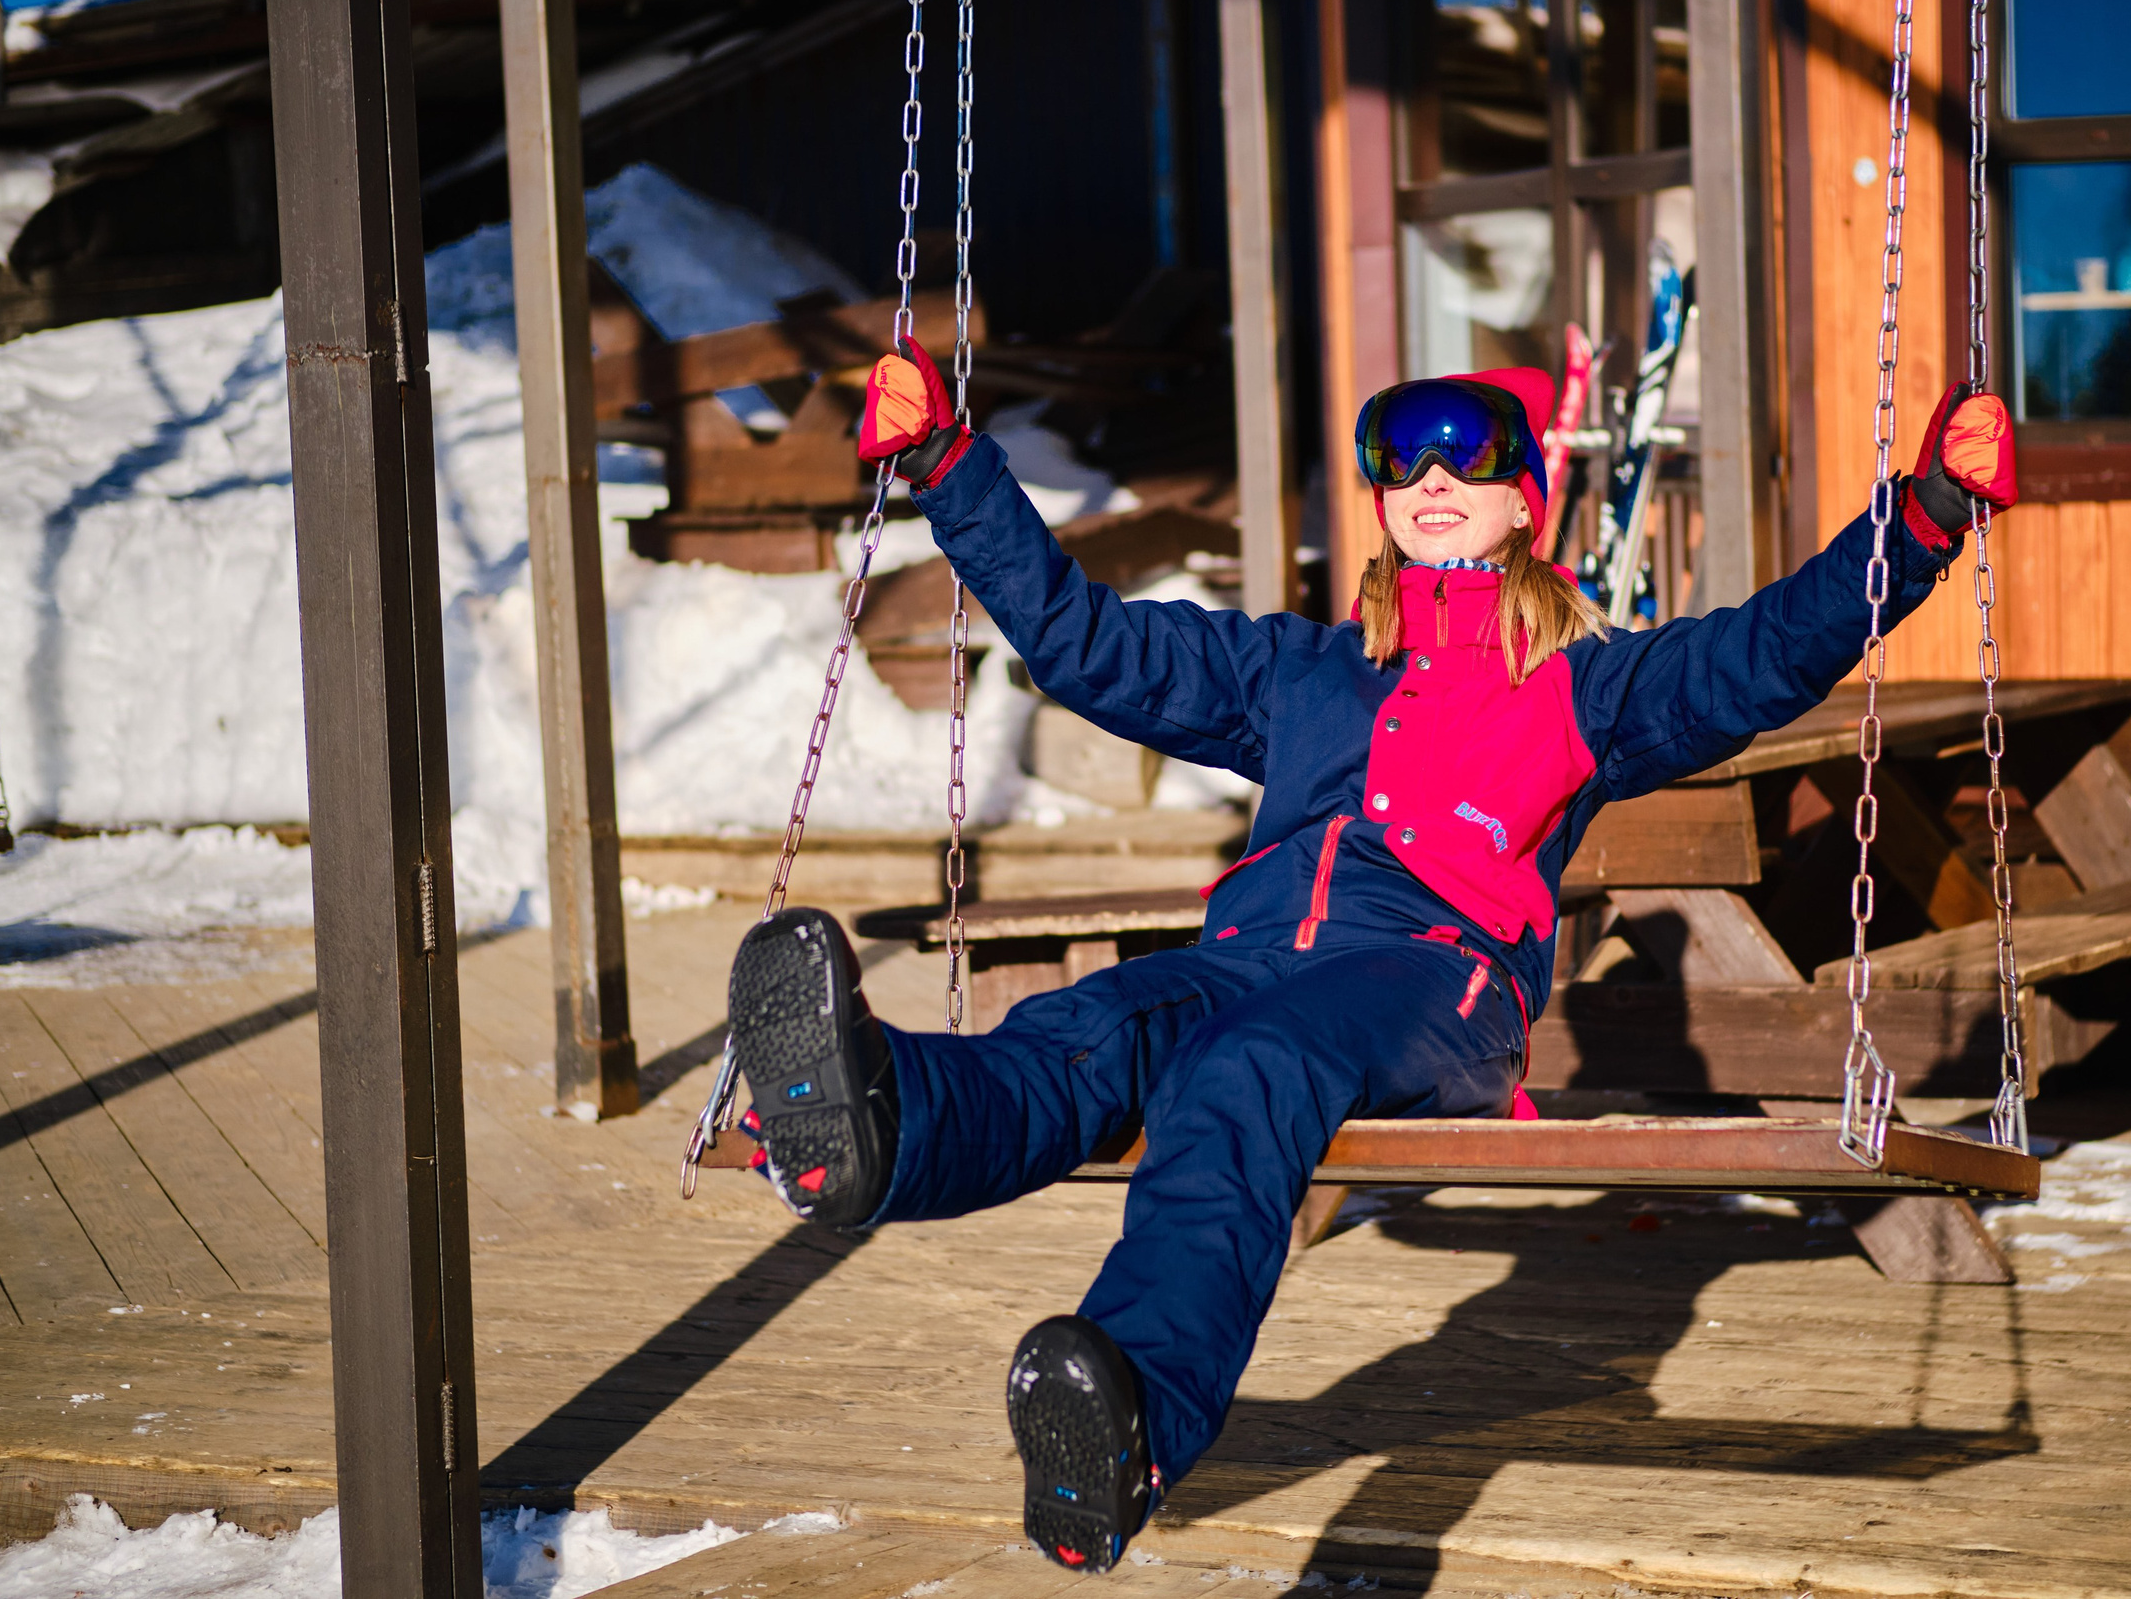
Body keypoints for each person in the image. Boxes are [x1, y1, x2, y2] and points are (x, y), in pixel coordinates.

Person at [722, 345, 2016, 1572]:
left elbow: (1770, 650)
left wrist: (1927, 516)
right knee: (1095, 1024)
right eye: (1404, 461)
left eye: (1470, 454)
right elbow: (1085, 643)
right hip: (1250, 958)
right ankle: (888, 1128)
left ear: (1526, 500)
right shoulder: (1303, 671)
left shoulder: (1586, 685)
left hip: (1435, 986)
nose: (1435, 481)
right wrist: (951, 464)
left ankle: (1135, 1419)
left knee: (1248, 1072)